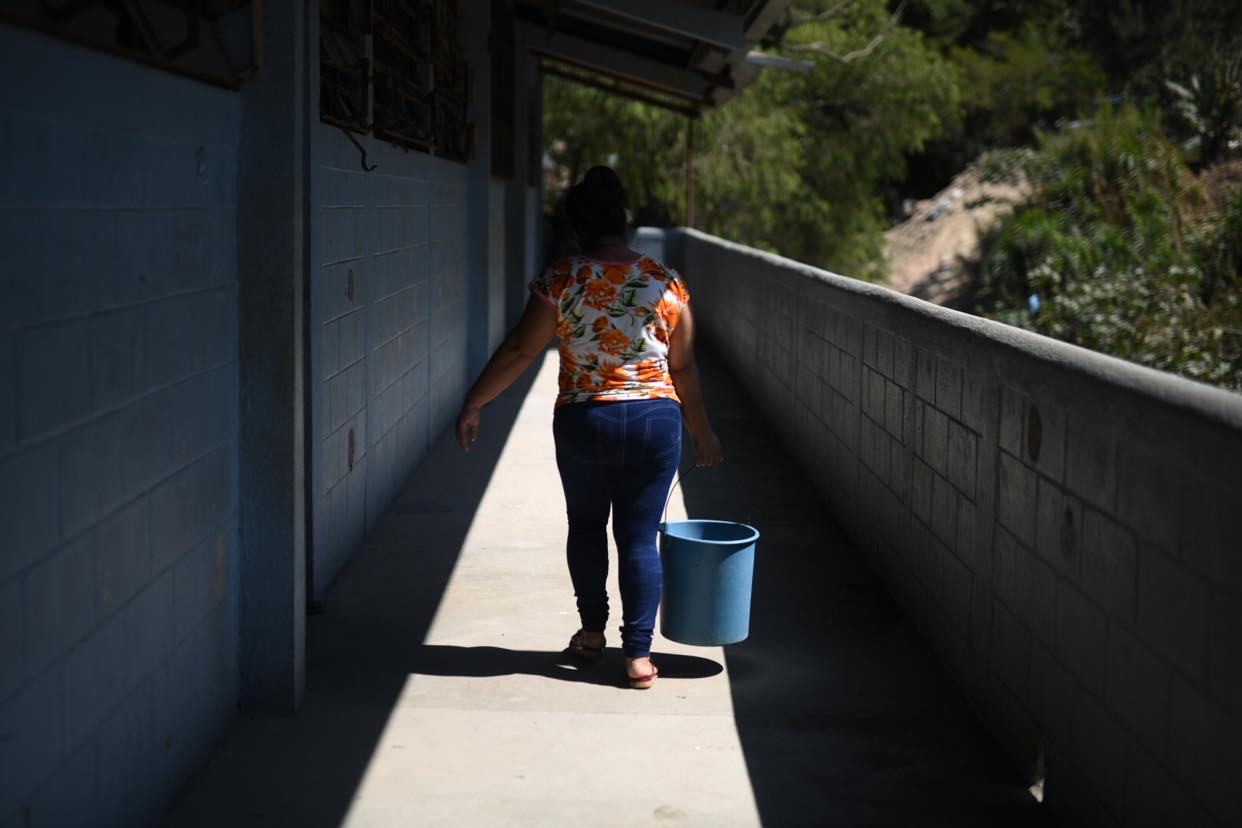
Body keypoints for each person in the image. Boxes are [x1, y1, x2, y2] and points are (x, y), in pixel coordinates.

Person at [455, 166, 722, 689]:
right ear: (624, 224)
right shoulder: (666, 282)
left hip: (585, 418)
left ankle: (592, 632)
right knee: (640, 538)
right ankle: (639, 656)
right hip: (655, 420)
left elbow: (521, 349)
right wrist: (703, 431)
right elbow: (684, 365)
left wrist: (475, 400)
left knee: (586, 526)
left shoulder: (562, 278)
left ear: (577, 230)